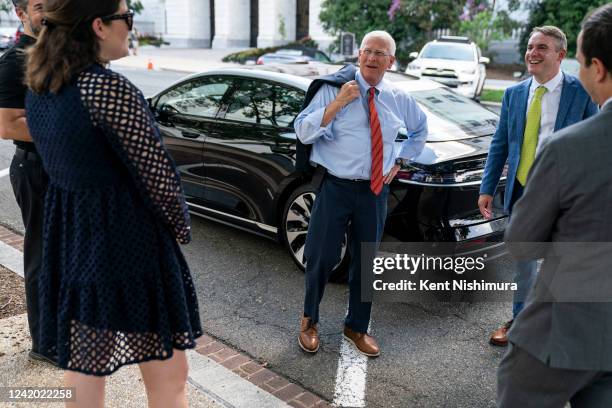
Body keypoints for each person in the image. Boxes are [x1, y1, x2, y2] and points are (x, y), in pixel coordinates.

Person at [24, 0, 202, 407]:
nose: (131, 26)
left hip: (73, 239)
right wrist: (180, 227)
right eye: (127, 17)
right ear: (100, 26)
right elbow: (158, 176)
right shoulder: (105, 87)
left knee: (87, 363)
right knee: (169, 375)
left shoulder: (41, 87)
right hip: (129, 238)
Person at [497, 5, 612, 406]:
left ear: (596, 68)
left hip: (571, 327)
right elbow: (501, 144)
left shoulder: (571, 145)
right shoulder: (515, 95)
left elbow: (523, 243)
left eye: (582, 63)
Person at [294, 30, 427, 357]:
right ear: (358, 55)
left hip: (375, 191)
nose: (371, 58)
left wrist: (401, 161)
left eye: (380, 53)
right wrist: (339, 102)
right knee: (321, 257)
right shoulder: (332, 89)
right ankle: (309, 320)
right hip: (336, 187)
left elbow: (421, 129)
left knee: (365, 262)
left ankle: (356, 326)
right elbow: (303, 130)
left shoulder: (398, 97)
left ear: (391, 62)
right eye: (367, 51)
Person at [478, 25, 598, 347]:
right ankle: (520, 321)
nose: (532, 52)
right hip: (524, 192)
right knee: (524, 265)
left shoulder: (581, 92)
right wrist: (487, 187)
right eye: (531, 46)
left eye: (541, 47)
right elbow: (500, 143)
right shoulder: (514, 94)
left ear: (560, 55)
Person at [0, 0, 55, 366]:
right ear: (21, 13)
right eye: (38, 5)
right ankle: (46, 344)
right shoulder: (14, 60)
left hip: (63, 169)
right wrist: (66, 130)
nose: (47, 12)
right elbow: (8, 125)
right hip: (36, 170)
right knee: (43, 256)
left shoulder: (58, 53)